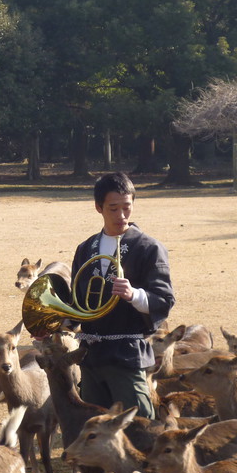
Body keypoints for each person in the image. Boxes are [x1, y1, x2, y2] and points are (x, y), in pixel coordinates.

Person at [69, 171, 174, 419]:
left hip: (127, 354)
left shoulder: (149, 247)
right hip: (91, 356)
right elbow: (76, 304)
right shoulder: (85, 249)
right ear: (99, 208)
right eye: (113, 208)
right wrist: (52, 326)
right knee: (95, 427)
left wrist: (134, 295)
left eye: (127, 207)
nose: (121, 216)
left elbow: (164, 300)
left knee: (139, 424)